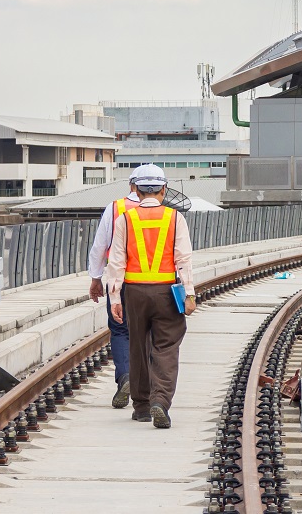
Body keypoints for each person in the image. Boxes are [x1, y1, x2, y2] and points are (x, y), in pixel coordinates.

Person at [107, 165, 196, 429]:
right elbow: (184, 258)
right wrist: (189, 293)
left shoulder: (124, 219)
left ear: (134, 189)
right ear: (163, 190)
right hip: (167, 291)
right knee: (166, 348)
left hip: (133, 292)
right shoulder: (174, 218)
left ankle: (142, 406)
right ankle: (161, 401)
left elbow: (116, 262)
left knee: (137, 346)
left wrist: (115, 299)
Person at [86, 166, 148, 409]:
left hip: (118, 281)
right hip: (153, 282)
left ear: (132, 186)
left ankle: (125, 377)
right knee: (148, 333)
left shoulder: (115, 208)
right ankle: (147, 387)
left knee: (121, 331)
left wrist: (95, 278)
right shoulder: (165, 212)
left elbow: (100, 246)